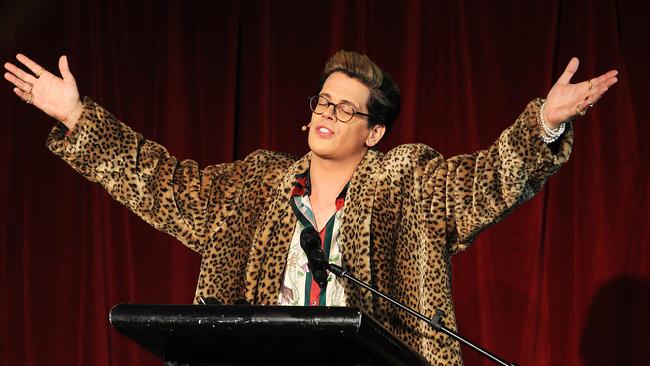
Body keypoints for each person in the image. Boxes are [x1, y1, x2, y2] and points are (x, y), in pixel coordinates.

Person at [3, 50, 617, 365]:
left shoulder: (409, 185)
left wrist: (541, 125)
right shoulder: (253, 187)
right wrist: (77, 118)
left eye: (347, 109)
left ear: (374, 132)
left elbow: (485, 181)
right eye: (324, 101)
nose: (328, 113)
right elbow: (156, 181)